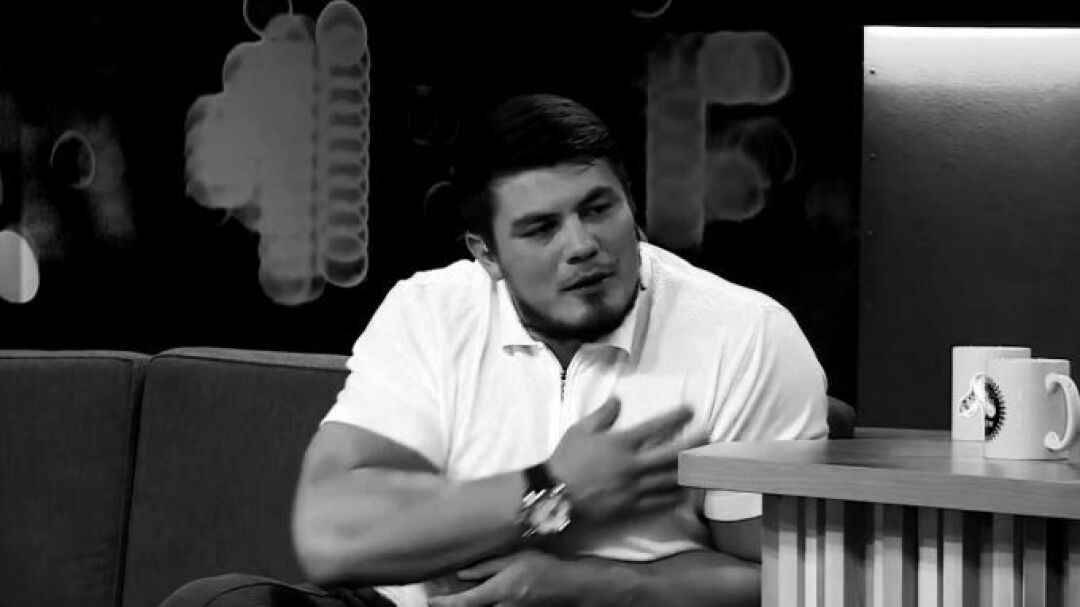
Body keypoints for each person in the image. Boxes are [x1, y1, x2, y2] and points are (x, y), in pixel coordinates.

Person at [168, 93, 828, 607]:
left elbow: (786, 583)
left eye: (599, 209)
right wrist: (555, 492)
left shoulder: (746, 335)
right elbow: (331, 537)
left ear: (633, 205)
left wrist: (596, 588)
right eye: (541, 228)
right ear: (486, 254)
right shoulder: (430, 310)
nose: (582, 245)